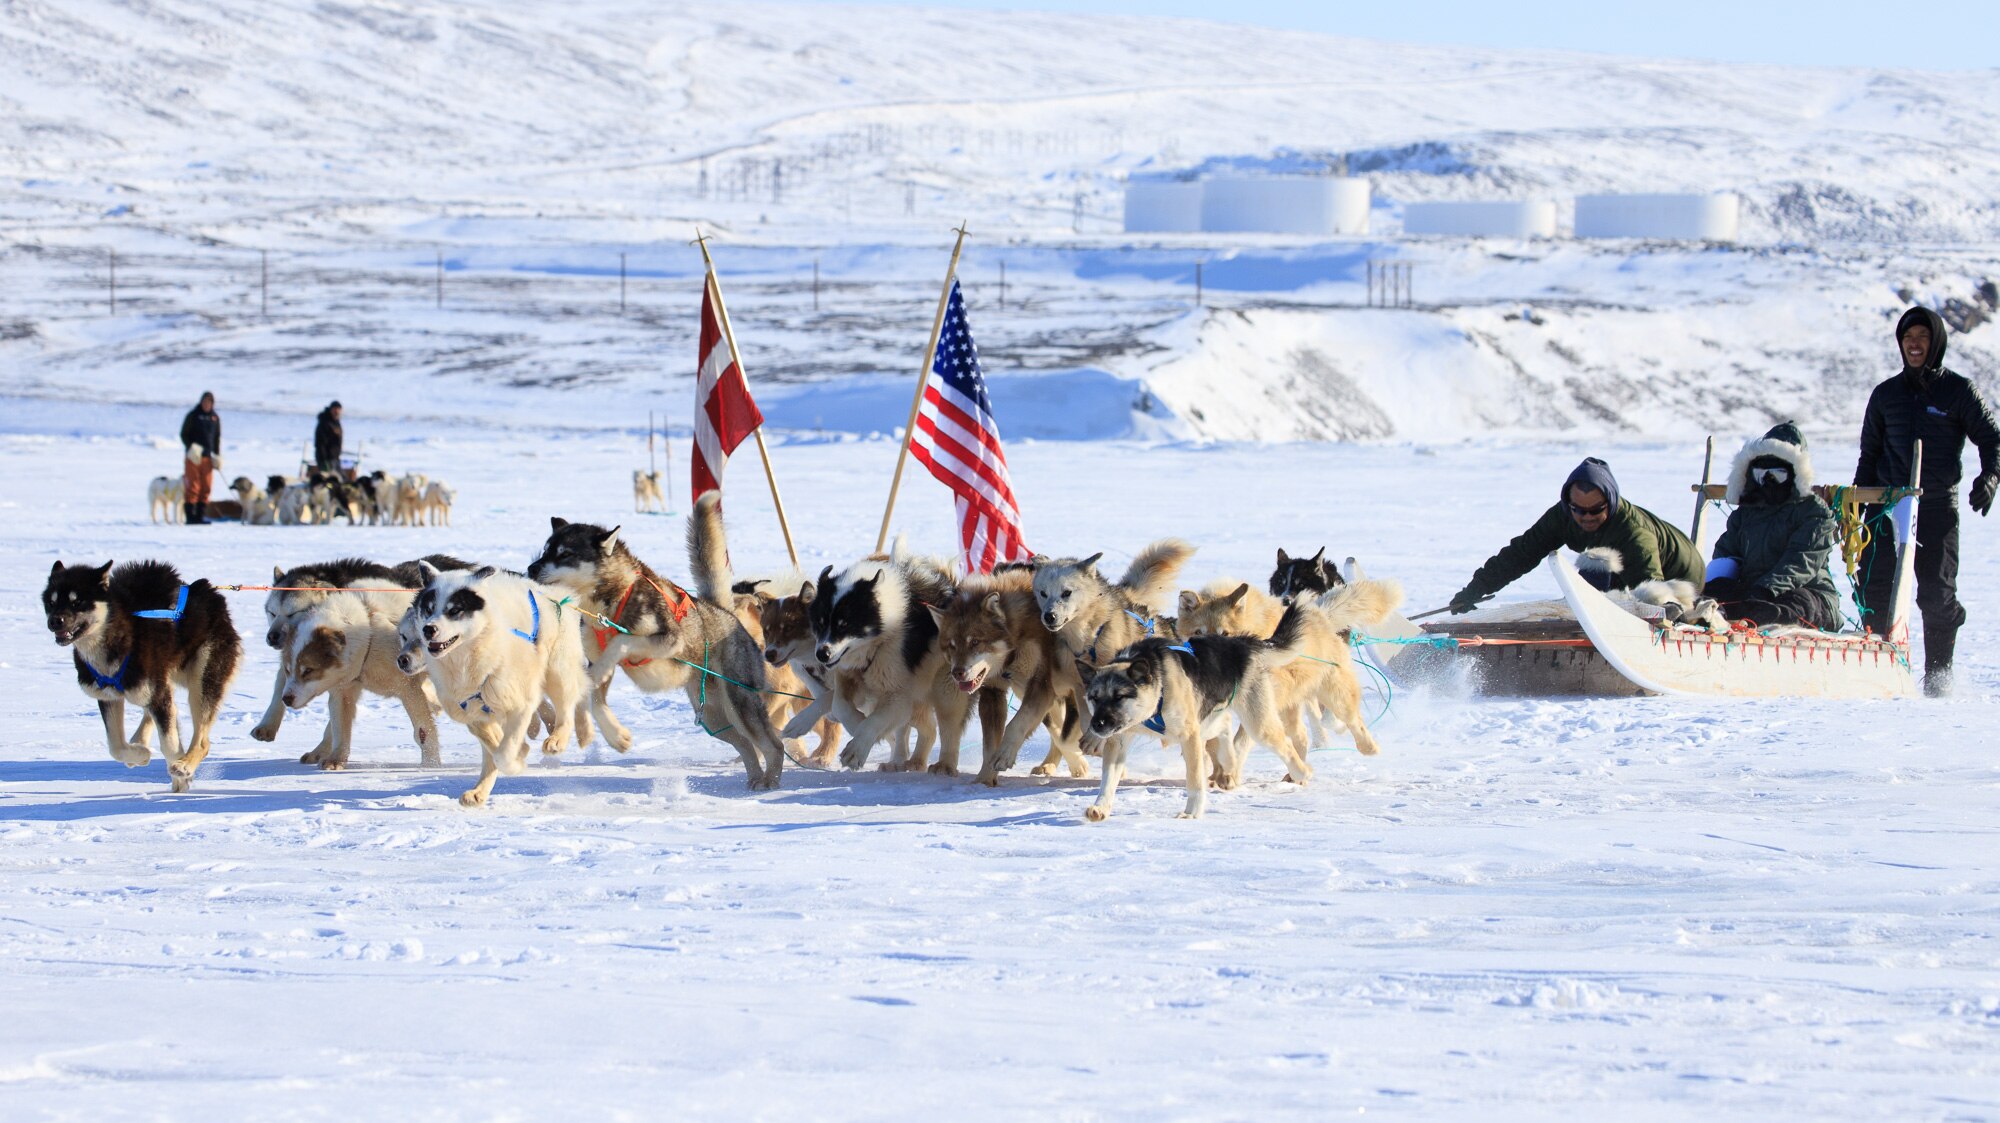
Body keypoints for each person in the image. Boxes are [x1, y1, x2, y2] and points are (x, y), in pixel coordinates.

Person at [1854, 306, 2000, 695]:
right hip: (1885, 507)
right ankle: (1880, 675)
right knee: (1875, 590)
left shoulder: (1958, 391)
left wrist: (1990, 477)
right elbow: (1869, 456)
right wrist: (1855, 507)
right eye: (1908, 337)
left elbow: (1992, 438)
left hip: (1935, 508)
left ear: (1936, 342)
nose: (1914, 344)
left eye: (1922, 337)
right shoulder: (1885, 395)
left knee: (1937, 595)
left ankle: (1938, 684)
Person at [1450, 457, 1704, 612]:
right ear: (1568, 504)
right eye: (1579, 510)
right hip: (1617, 566)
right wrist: (1477, 588)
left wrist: (1665, 609)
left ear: (1610, 502)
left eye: (1596, 510)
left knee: (1609, 574)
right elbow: (1522, 553)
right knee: (1593, 570)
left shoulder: (1634, 533)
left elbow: (1651, 586)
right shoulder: (1562, 516)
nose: (1586, 517)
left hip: (1682, 576)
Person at [1702, 422, 1843, 631]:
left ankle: (1751, 622)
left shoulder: (1814, 511)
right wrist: (1717, 585)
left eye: (1777, 474)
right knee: (1712, 596)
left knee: (1790, 606)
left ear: (1795, 473)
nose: (1768, 481)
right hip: (1753, 593)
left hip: (1809, 593)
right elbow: (1727, 554)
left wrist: (1765, 589)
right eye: (1762, 474)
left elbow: (1800, 562)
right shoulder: (1747, 512)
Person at [178, 391, 221, 525]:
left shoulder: (215, 418)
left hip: (207, 458)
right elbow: (184, 434)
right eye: (204, 402)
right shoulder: (193, 416)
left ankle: (200, 516)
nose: (206, 404)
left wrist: (217, 455)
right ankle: (190, 517)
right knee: (193, 486)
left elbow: (216, 438)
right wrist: (190, 447)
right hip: (193, 457)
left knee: (206, 486)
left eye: (209, 402)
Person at [314, 400, 344, 475]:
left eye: (338, 409)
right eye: (335, 409)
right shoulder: (325, 423)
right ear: (331, 410)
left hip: (335, 457)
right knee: (330, 477)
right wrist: (324, 459)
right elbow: (320, 443)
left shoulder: (336, 422)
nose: (337, 412)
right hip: (326, 458)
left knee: (341, 478)